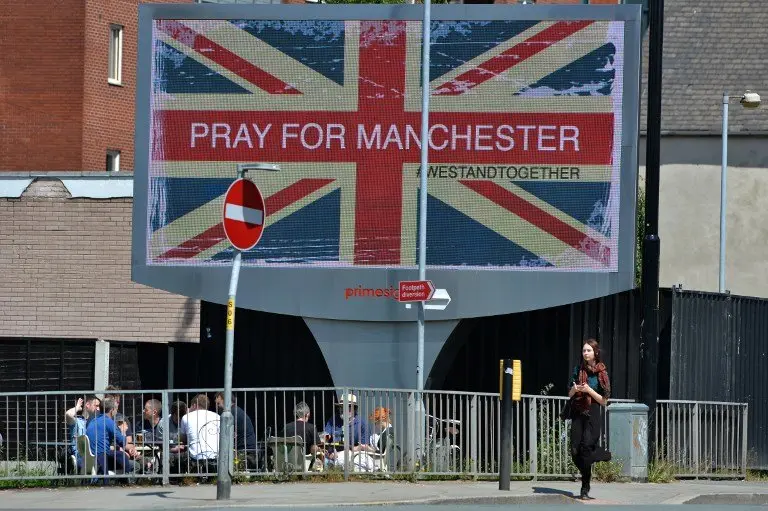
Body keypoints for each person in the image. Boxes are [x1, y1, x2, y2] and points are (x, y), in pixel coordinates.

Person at [567, 339, 612, 500]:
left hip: (593, 410)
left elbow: (604, 400)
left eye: (588, 350)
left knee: (586, 447)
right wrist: (575, 389)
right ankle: (601, 454)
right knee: (574, 451)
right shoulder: (577, 370)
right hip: (578, 410)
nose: (585, 353)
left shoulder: (602, 373)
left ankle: (584, 488)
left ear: (595, 353)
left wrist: (589, 390)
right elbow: (569, 394)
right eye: (584, 350)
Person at [86, 397, 136, 474]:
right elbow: (122, 442)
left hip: (91, 457)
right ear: (112, 410)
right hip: (102, 457)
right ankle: (126, 481)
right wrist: (123, 431)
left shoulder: (93, 421)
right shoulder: (109, 421)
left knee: (119, 454)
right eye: (116, 409)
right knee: (123, 456)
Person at [214, 392, 257, 461]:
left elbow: (224, 434)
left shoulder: (232, 413)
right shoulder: (236, 410)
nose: (217, 406)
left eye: (218, 403)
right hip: (246, 449)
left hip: (244, 452)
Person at [180, 394, 220, 462]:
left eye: (191, 406)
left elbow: (183, 439)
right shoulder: (217, 416)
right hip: (216, 457)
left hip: (196, 457)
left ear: (194, 405)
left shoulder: (186, 417)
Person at [281, 401, 322, 468]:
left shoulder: (286, 427)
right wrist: (318, 450)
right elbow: (313, 449)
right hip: (305, 462)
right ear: (307, 414)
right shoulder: (311, 427)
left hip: (288, 461)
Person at [64, 395, 101, 469]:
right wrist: (77, 407)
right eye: (96, 405)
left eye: (99, 406)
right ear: (87, 405)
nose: (98, 408)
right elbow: (68, 415)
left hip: (98, 455)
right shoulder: (78, 422)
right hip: (82, 457)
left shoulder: (99, 422)